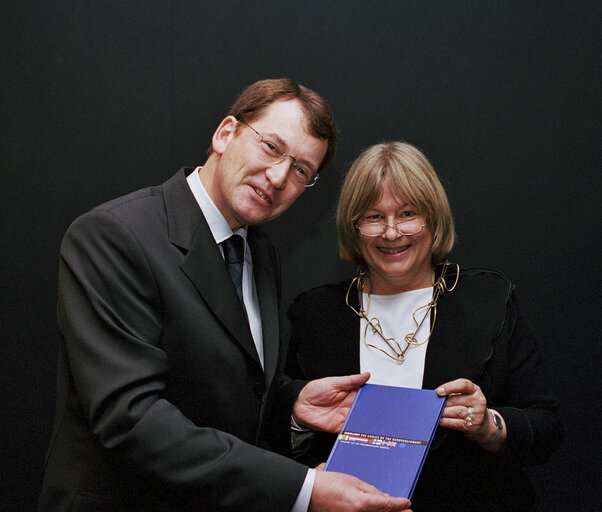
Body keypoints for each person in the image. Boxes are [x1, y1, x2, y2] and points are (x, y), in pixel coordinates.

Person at [38, 79, 413, 512]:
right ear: (225, 133)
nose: (278, 178)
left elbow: (224, 388)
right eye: (271, 147)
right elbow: (131, 420)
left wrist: (291, 404)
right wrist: (304, 488)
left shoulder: (260, 252)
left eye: (301, 171)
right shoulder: (114, 237)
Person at [286, 141, 563, 511]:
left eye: (408, 214)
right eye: (372, 217)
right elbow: (282, 432)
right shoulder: (315, 313)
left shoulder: (488, 299)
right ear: (353, 228)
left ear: (433, 219)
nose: (391, 232)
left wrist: (489, 425)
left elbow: (547, 428)